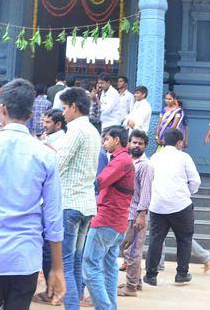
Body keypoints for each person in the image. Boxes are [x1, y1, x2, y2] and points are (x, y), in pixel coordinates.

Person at [0, 79, 66, 310]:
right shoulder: (45, 155)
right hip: (25, 258)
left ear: (2, 109)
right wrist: (57, 268)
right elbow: (53, 217)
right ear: (31, 114)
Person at [56, 86, 102, 310]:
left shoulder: (75, 130)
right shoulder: (93, 130)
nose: (63, 113)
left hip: (70, 203)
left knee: (65, 263)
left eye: (64, 108)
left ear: (74, 107)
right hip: (85, 205)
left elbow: (58, 165)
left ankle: (71, 306)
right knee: (75, 262)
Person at [82, 125, 134, 310]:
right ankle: (109, 306)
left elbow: (100, 181)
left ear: (116, 140)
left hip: (106, 221)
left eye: (107, 140)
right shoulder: (124, 160)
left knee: (89, 266)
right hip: (116, 223)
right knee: (109, 268)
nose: (105, 143)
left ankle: (105, 307)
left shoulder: (121, 161)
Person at [144, 128, 202, 287]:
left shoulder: (155, 157)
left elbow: (148, 180)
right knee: (184, 239)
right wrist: (186, 193)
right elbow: (195, 181)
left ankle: (150, 275)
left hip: (157, 205)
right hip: (180, 205)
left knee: (156, 240)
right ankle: (181, 274)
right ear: (179, 143)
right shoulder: (184, 157)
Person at [119, 129, 152, 298]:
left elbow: (146, 192)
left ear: (145, 146)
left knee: (132, 252)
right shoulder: (127, 162)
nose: (137, 145)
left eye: (140, 143)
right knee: (128, 250)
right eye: (134, 142)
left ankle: (131, 287)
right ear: (129, 143)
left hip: (135, 215)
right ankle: (135, 282)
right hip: (125, 212)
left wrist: (141, 214)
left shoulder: (145, 165)